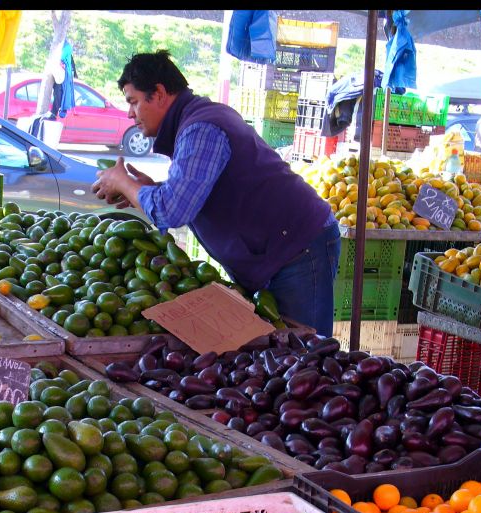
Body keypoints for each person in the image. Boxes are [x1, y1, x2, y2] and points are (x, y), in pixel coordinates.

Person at [91, 50, 341, 336]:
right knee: (283, 359)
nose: (129, 113)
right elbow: (193, 194)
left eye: (133, 101)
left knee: (306, 356)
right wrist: (146, 190)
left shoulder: (201, 128)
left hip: (298, 248)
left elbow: (172, 211)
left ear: (159, 93)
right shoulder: (195, 121)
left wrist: (125, 183)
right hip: (273, 251)